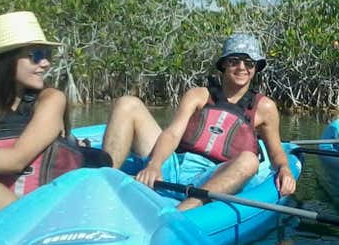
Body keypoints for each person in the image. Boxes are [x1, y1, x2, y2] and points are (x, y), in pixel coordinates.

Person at [101, 33, 296, 211]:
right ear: (223, 65)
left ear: (255, 68)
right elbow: (173, 133)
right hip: (174, 166)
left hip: (213, 176)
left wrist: (285, 169)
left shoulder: (265, 108)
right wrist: (155, 164)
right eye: (234, 61)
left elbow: (276, 151)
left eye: (249, 63)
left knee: (250, 160)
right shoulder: (198, 95)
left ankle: (185, 211)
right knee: (127, 103)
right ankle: (102, 181)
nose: (242, 68)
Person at [0, 11, 110, 223]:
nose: (46, 63)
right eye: (37, 55)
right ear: (4, 61)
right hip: (0, 215)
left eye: (47, 55)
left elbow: (16, 160)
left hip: (42, 216)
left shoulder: (51, 99)